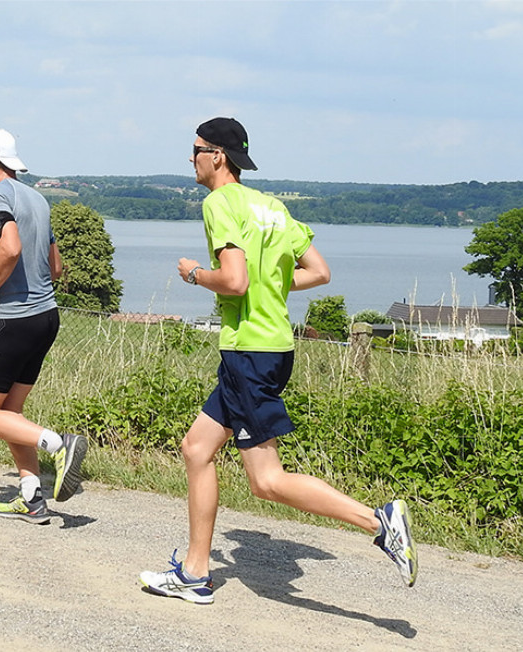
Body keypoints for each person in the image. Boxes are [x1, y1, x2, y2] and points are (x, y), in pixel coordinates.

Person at [138, 117, 417, 604]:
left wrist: (194, 275)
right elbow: (320, 272)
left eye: (196, 149)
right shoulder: (270, 206)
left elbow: (234, 282)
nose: (191, 158)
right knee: (197, 449)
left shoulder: (219, 203)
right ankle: (194, 573)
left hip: (249, 351)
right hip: (270, 349)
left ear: (217, 156)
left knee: (266, 481)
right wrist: (271, 285)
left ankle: (379, 521)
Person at [0, 128, 87, 525]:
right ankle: (32, 497)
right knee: (11, 411)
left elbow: (10, 247)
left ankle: (59, 444)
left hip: (15, 321)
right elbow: (54, 267)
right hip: (45, 317)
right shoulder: (36, 198)